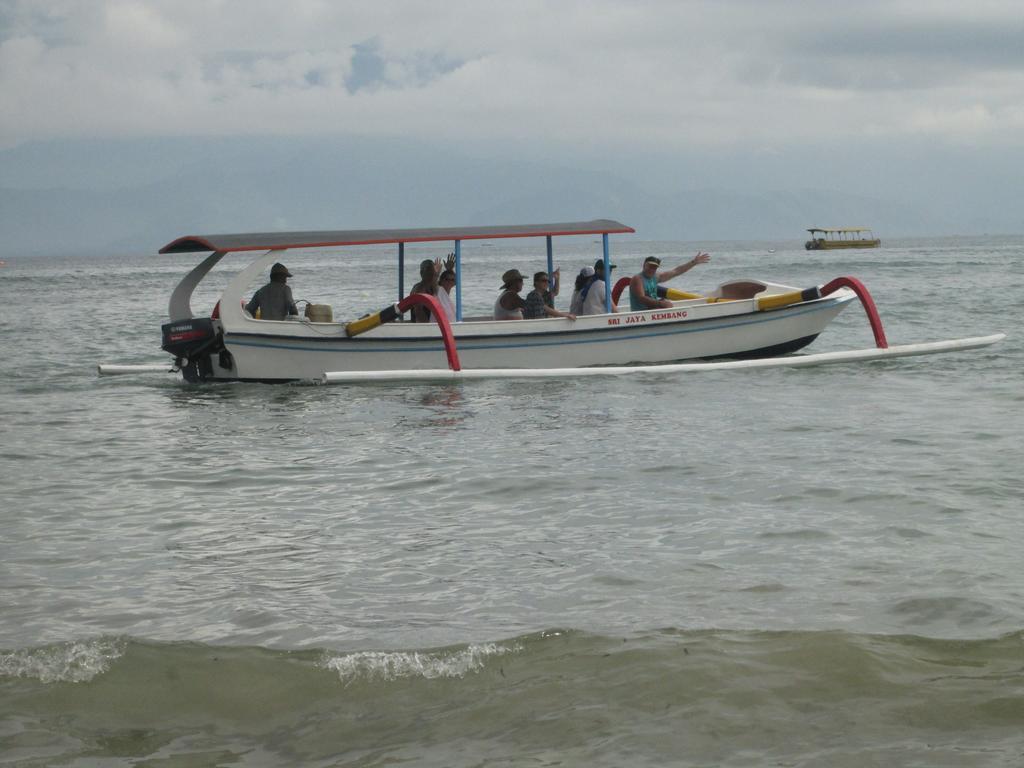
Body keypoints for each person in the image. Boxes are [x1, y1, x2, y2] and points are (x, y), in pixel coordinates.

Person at [629, 252, 711, 311]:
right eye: (649, 266)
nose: (651, 269)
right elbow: (641, 298)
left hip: (652, 310)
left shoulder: (656, 277)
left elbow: (676, 271)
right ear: (644, 265)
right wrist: (660, 304)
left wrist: (693, 263)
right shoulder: (638, 279)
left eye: (654, 267)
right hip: (641, 314)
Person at [410, 253, 456, 322]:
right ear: (421, 272)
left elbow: (448, 283)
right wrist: (427, 327)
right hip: (425, 327)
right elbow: (418, 311)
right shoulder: (418, 288)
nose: (431, 272)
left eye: (432, 269)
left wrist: (449, 270)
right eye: (428, 269)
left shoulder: (437, 288)